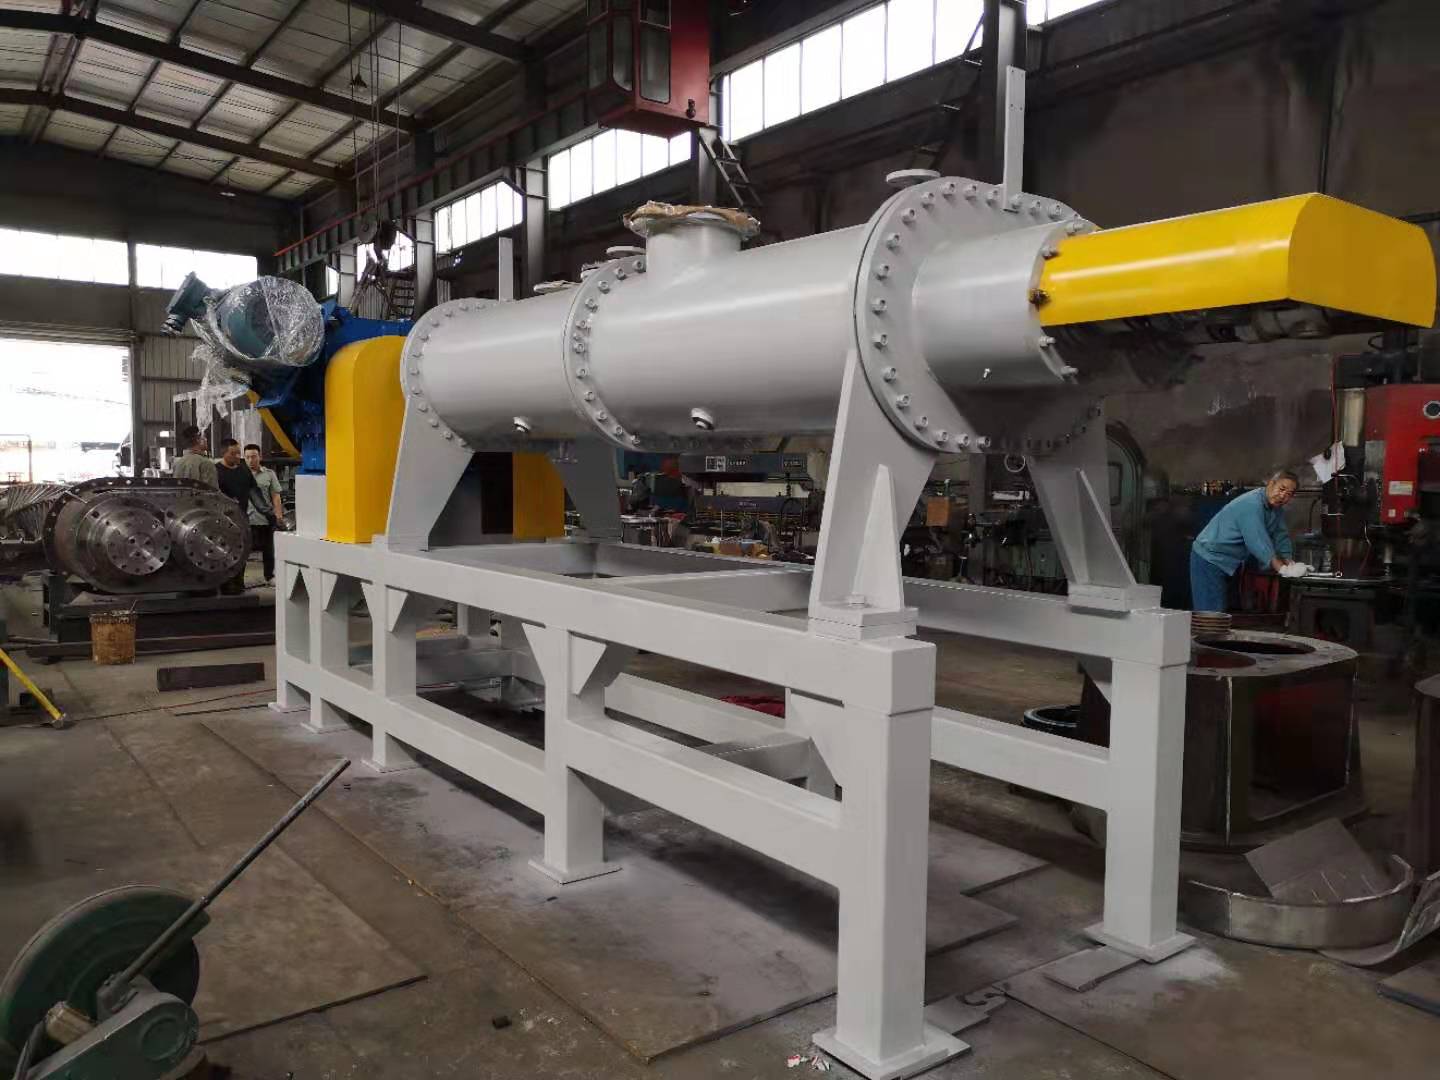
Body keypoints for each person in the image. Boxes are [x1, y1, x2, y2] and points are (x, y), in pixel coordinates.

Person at [1189, 469, 1299, 612]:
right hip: (1209, 558)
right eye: (1281, 489)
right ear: (1271, 483)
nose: (1283, 496)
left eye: (1289, 494)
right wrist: (1281, 568)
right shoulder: (1251, 504)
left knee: (1223, 613)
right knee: (1211, 614)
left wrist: (1289, 561)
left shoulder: (1276, 509)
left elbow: (1281, 535)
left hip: (1229, 563)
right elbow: (1256, 540)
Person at [214, 439, 256, 594]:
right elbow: (212, 494)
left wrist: (270, 513)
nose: (238, 456)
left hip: (242, 519)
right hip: (222, 521)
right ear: (224, 453)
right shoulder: (216, 471)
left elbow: (254, 492)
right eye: (233, 453)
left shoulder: (244, 470)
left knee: (242, 552)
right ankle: (224, 584)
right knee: (223, 552)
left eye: (239, 453)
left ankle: (238, 583)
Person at [243, 444, 284, 583]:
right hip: (245, 520)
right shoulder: (240, 474)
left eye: (253, 456)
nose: (250, 460)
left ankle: (269, 576)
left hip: (265, 519)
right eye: (247, 457)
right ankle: (238, 581)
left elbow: (276, 497)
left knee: (268, 551)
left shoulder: (269, 474)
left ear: (259, 457)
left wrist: (278, 515)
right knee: (243, 551)